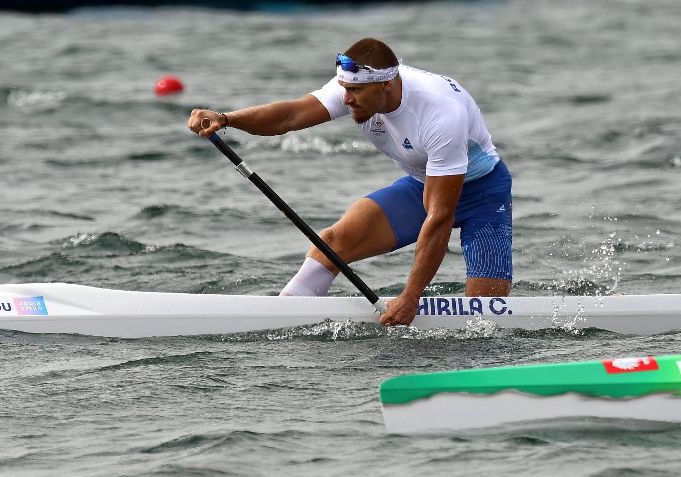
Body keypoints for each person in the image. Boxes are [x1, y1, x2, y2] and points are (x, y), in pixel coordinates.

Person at [188, 37, 513, 327]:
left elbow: (439, 215)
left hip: (484, 194)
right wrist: (227, 119)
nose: (345, 99)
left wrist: (411, 297)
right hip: (423, 182)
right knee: (334, 241)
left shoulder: (440, 113)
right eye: (344, 88)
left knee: (483, 321)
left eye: (355, 92)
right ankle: (283, 315)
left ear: (386, 86)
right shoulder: (355, 84)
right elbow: (289, 116)